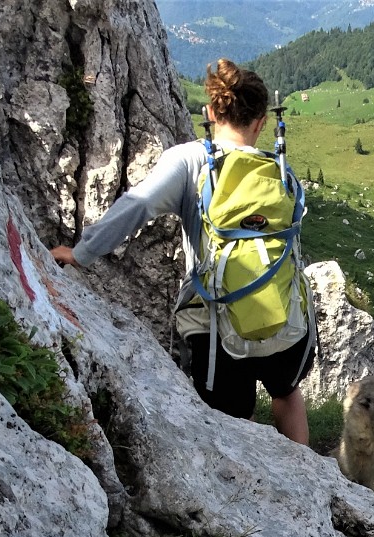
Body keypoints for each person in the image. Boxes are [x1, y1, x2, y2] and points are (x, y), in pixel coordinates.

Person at [52, 59, 314, 445]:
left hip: (216, 321)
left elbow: (138, 205)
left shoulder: (191, 161)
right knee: (287, 394)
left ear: (210, 112)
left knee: (229, 421)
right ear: (261, 122)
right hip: (284, 320)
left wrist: (82, 253)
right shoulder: (280, 171)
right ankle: (308, 487)